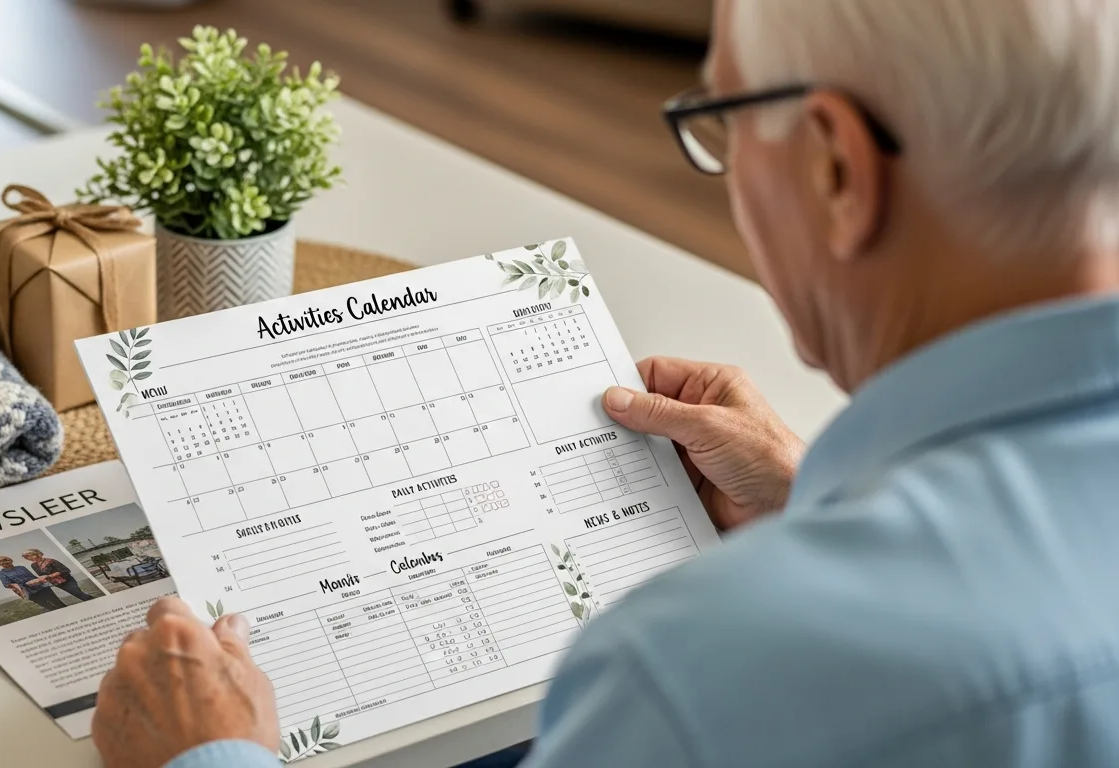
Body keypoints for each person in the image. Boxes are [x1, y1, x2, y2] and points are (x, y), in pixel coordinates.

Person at [92, 0, 1119, 765]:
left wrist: (209, 756)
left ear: (836, 169)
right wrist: (814, 502)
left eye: (722, 118)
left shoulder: (686, 674)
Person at [0, 555, 66, 613]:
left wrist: (43, 582)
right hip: (29, 592)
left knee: (59, 603)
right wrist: (20, 587)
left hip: (42, 588)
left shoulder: (21, 567)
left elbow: (32, 577)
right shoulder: (2, 574)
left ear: (10, 560)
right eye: (2, 562)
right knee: (49, 607)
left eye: (6, 560)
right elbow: (7, 584)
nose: (5, 563)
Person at [21, 548, 95, 603]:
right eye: (26, 557)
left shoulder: (51, 561)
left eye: (29, 556)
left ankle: (94, 601)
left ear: (37, 554)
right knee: (77, 595)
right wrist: (36, 580)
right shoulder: (34, 565)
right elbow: (42, 575)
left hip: (67, 580)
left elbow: (65, 570)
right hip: (57, 583)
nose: (28, 558)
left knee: (78, 593)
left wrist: (48, 576)